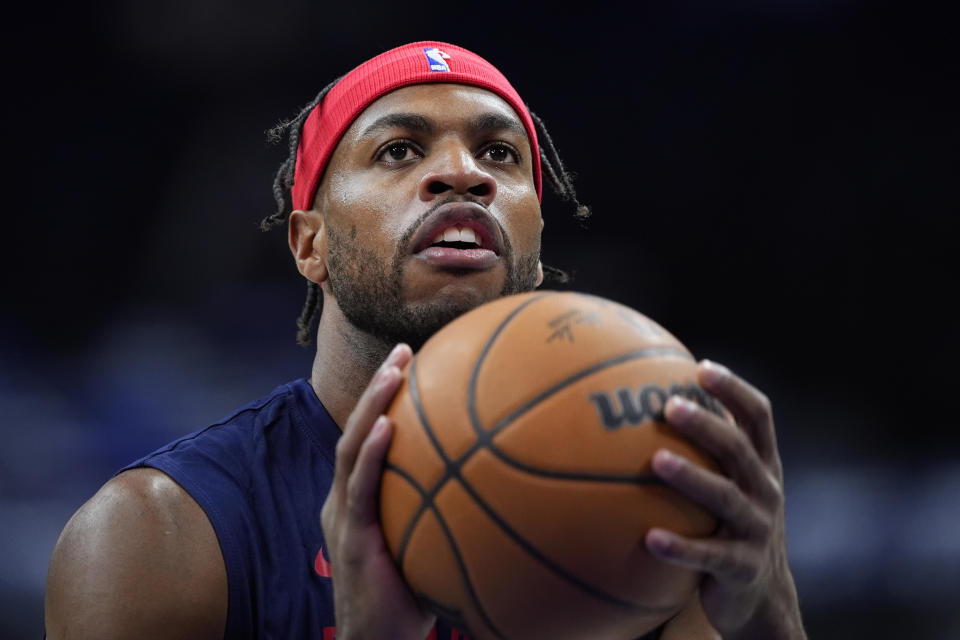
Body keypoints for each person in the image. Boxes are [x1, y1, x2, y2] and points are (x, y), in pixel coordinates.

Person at [44, 41, 806, 639]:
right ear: (309, 245)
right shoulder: (161, 531)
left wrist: (769, 623)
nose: (462, 174)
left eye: (499, 154)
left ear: (534, 251)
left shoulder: (659, 490)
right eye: (400, 150)